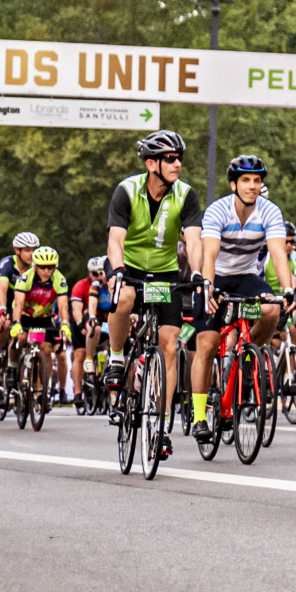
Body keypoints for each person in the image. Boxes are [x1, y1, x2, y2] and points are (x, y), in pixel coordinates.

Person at [106, 132, 203, 458]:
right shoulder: (127, 190)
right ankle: (117, 358)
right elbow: (115, 239)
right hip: (128, 268)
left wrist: (199, 273)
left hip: (164, 275)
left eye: (180, 158)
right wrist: (117, 271)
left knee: (170, 344)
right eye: (170, 159)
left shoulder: (186, 195)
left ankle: (161, 426)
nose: (178, 164)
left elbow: (192, 240)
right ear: (152, 164)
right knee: (124, 298)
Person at [191, 154, 295, 448]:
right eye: (246, 180)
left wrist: (288, 290)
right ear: (233, 184)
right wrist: (208, 287)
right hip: (215, 276)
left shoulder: (270, 212)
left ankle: (249, 358)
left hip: (247, 275)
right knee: (208, 344)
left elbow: (278, 253)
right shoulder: (217, 210)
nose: (252, 186)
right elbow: (209, 253)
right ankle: (200, 415)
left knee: (271, 308)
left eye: (257, 181)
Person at [10, 246, 71, 402]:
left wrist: (64, 324)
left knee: (45, 348)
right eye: (42, 267)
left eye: (50, 267)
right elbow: (18, 304)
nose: (46, 270)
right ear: (35, 266)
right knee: (21, 339)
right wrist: (16, 323)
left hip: (43, 317)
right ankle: (12, 367)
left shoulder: (59, 279)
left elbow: (63, 305)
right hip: (24, 315)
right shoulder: (25, 278)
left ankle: (41, 389)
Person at [0, 232, 39, 408]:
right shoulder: (6, 264)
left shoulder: (39, 266)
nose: (32, 253)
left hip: (24, 304)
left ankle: (15, 366)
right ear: (17, 250)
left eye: (34, 249)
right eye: (28, 250)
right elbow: (1, 289)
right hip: (4, 300)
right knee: (6, 324)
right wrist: (1, 310)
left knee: (24, 336)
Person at [69, 256, 113, 404]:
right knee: (80, 355)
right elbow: (76, 308)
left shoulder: (111, 283)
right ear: (89, 273)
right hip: (82, 320)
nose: (100, 276)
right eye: (95, 273)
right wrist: (81, 323)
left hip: (104, 320)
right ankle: (77, 393)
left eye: (102, 272)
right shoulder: (82, 285)